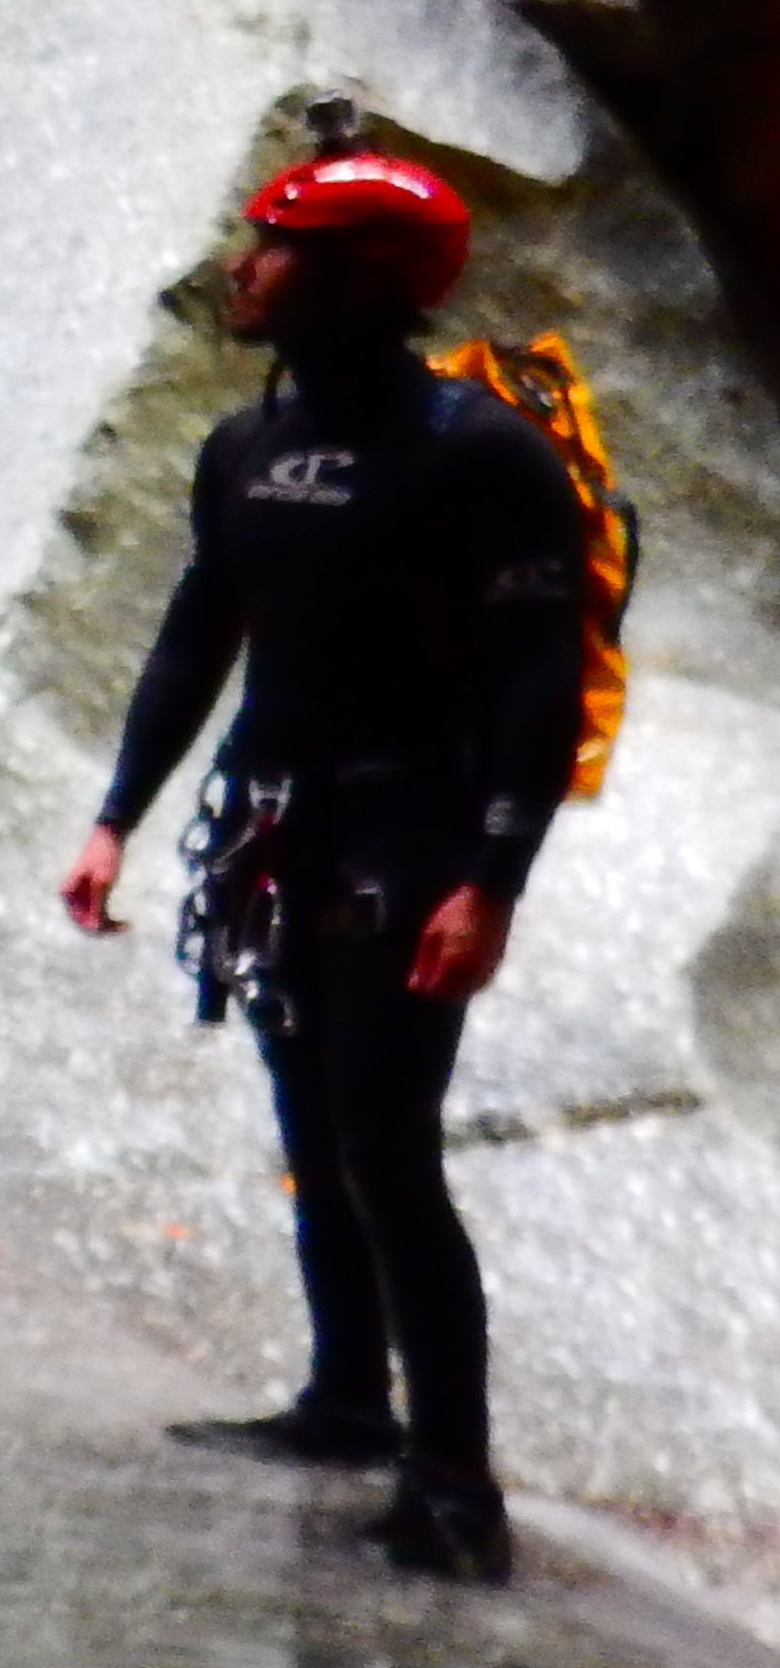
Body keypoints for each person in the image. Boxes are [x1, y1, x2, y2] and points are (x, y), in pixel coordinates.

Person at [58, 139, 588, 1584]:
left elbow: (543, 677)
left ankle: (455, 1483)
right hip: (278, 823)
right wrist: (121, 813)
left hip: (415, 826)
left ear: (358, 279)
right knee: (312, 1124)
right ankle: (349, 1402)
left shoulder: (480, 453)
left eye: (276, 244)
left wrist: (495, 880)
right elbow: (197, 635)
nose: (246, 265)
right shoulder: (246, 448)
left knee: (387, 1145)